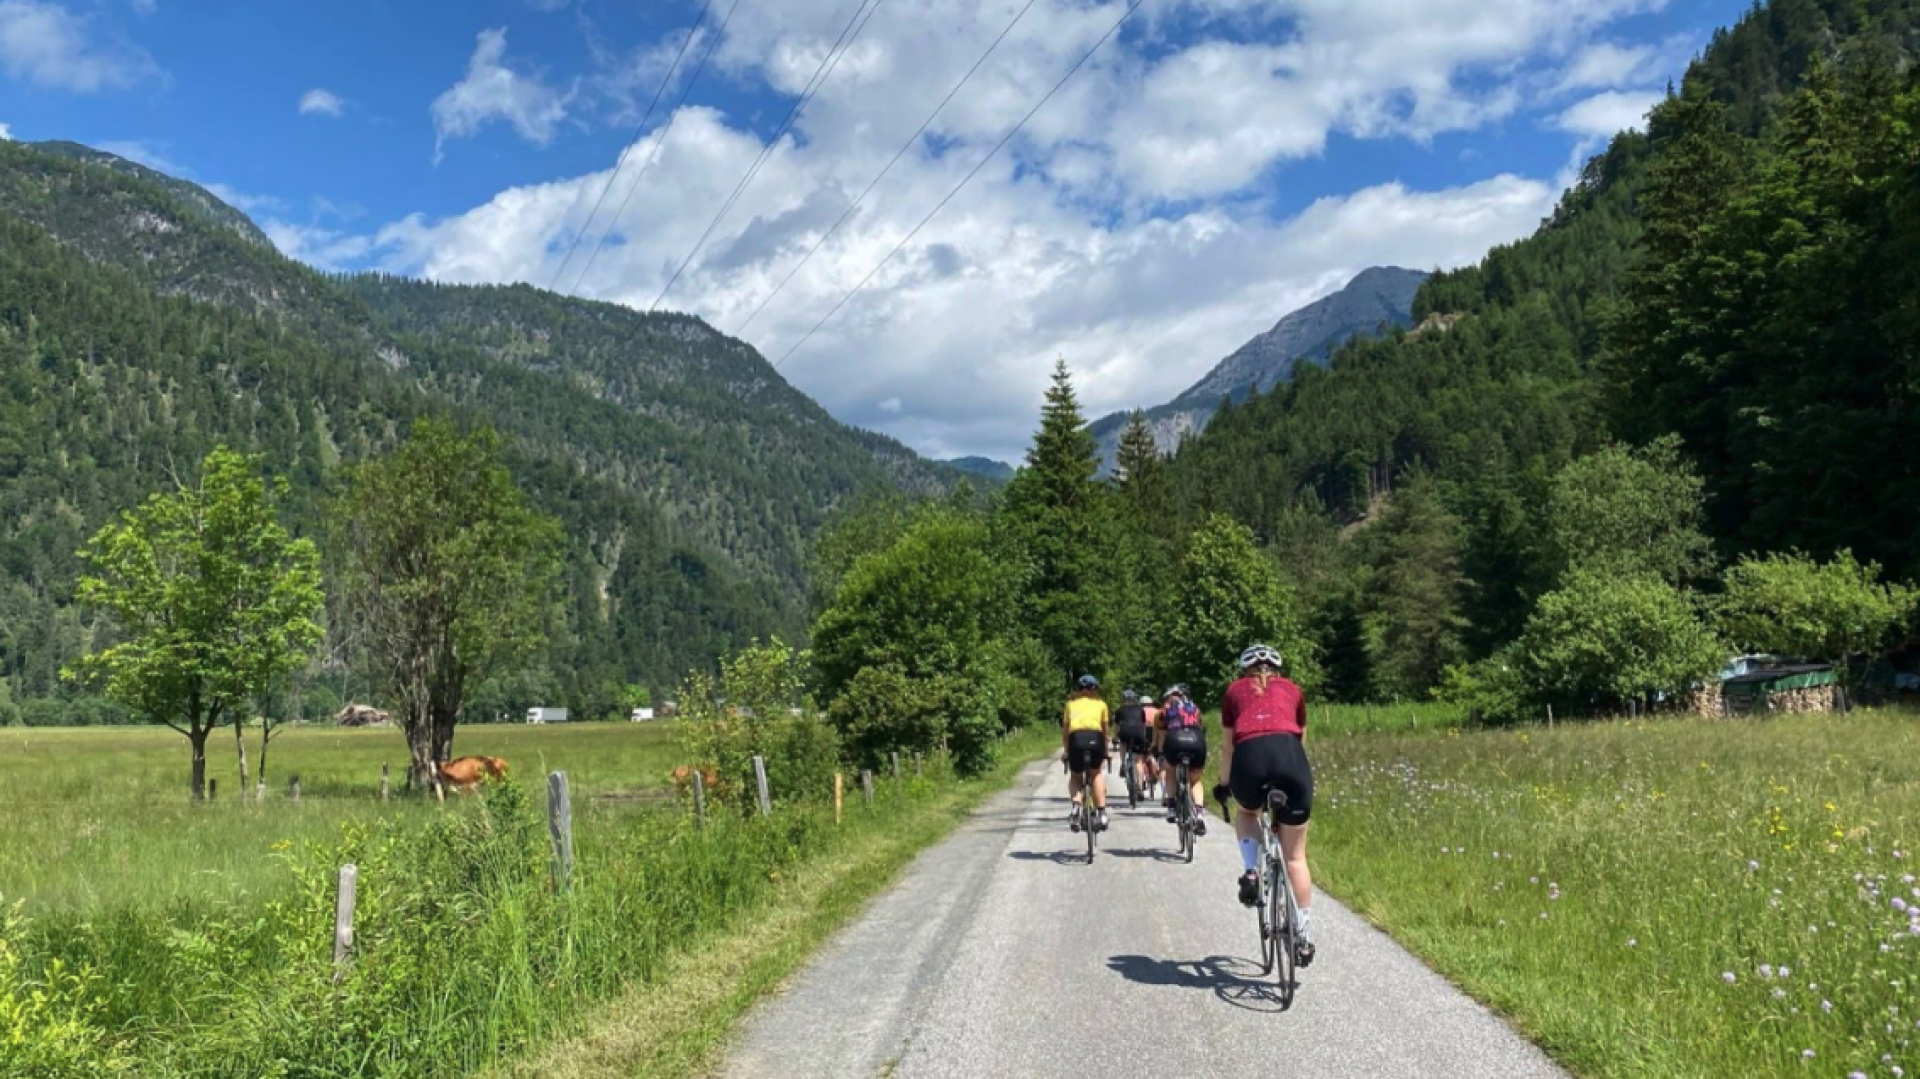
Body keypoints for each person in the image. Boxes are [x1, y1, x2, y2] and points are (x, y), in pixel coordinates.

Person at [1214, 644, 1315, 967]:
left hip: (1250, 758)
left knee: (1247, 812)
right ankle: (1303, 938)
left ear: (1244, 670)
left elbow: (1228, 746)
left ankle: (1250, 871)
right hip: (1290, 758)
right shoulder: (1293, 690)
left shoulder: (1234, 691)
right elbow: (1300, 739)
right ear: (1278, 669)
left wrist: (1223, 784)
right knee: (1295, 857)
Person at [1154, 685, 1207, 836]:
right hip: (1196, 740)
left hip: (1175, 740)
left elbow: (1162, 736)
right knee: (1195, 781)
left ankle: (1171, 806)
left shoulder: (1163, 711)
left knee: (1170, 770)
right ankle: (1199, 813)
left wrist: (1161, 754)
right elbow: (1201, 728)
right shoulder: (1195, 707)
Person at [1061, 674, 1110, 832]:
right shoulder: (1101, 704)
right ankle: (1101, 813)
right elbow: (1104, 732)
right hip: (1095, 738)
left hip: (1076, 739)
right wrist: (1106, 751)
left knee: (1076, 775)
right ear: (1095, 689)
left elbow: (1066, 732)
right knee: (1096, 774)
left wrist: (1066, 751)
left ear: (1079, 690)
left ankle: (1076, 808)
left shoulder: (1070, 704)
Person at [1113, 689, 1154, 797]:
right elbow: (1143, 724)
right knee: (1138, 761)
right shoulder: (1140, 709)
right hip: (1138, 733)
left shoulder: (1120, 709)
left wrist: (1115, 737)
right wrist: (1143, 737)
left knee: (1123, 743)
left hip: (1125, 731)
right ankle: (1140, 787)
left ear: (1124, 699)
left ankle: (1123, 763)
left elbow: (1117, 726)